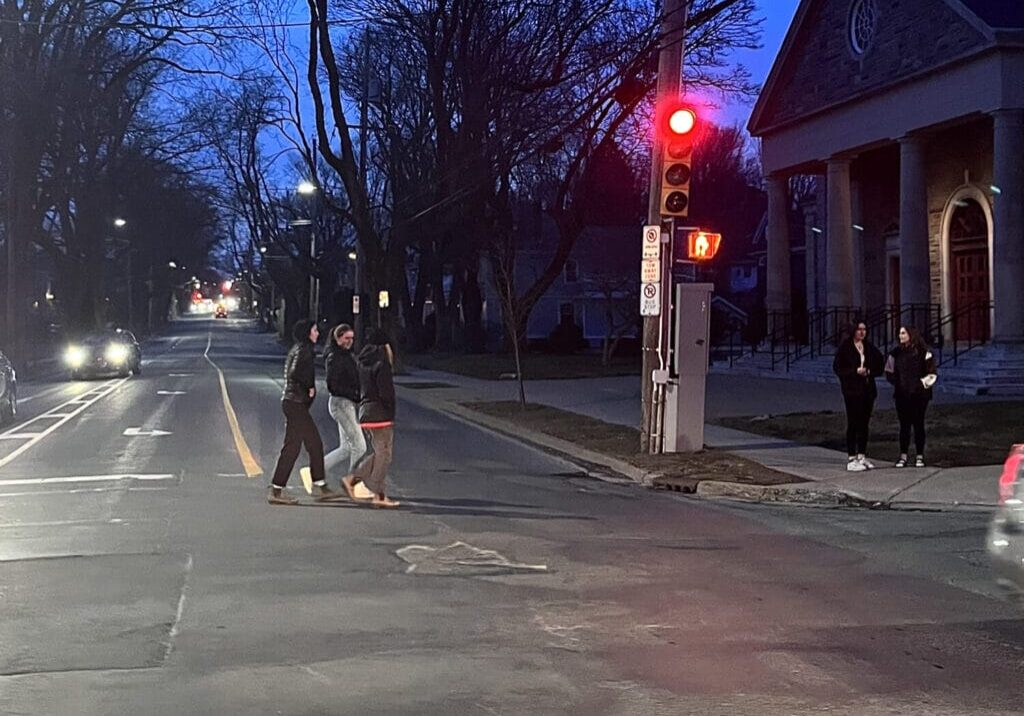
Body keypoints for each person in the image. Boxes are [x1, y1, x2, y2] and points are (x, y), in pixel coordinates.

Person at [267, 319, 343, 505]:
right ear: (307, 333)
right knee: (302, 446)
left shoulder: (300, 348)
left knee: (305, 445)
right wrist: (308, 385)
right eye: (315, 330)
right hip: (296, 403)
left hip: (294, 403)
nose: (317, 333)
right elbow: (295, 372)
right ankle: (279, 489)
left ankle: (316, 485)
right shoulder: (304, 350)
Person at [345, 328, 400, 508]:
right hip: (380, 413)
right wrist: (391, 409)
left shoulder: (362, 362)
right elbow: (386, 392)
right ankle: (378, 493)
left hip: (366, 411)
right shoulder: (382, 364)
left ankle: (354, 479)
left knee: (381, 453)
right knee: (384, 454)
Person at [833, 320, 885, 471]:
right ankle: (851, 457)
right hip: (852, 390)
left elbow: (879, 365)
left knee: (864, 423)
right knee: (853, 422)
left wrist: (869, 371)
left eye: (864, 329)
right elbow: (838, 368)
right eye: (859, 329)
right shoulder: (845, 348)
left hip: (867, 390)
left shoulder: (869, 348)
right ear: (853, 331)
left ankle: (861, 455)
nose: (862, 332)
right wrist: (854, 372)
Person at [885, 326, 937, 468]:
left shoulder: (924, 352)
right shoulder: (895, 353)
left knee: (918, 424)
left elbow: (932, 374)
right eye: (899, 333)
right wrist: (898, 383)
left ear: (911, 334)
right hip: (902, 395)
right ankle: (903, 456)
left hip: (920, 396)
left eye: (903, 333)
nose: (900, 335)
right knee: (904, 426)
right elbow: (889, 371)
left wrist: (920, 385)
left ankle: (919, 456)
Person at [323, 324, 367, 488]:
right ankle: (353, 482)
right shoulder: (334, 357)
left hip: (348, 404)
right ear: (338, 338)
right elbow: (332, 386)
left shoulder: (348, 355)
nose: (350, 341)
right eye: (346, 338)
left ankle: (317, 470)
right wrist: (354, 395)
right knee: (360, 446)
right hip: (341, 403)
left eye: (352, 338)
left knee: (346, 448)